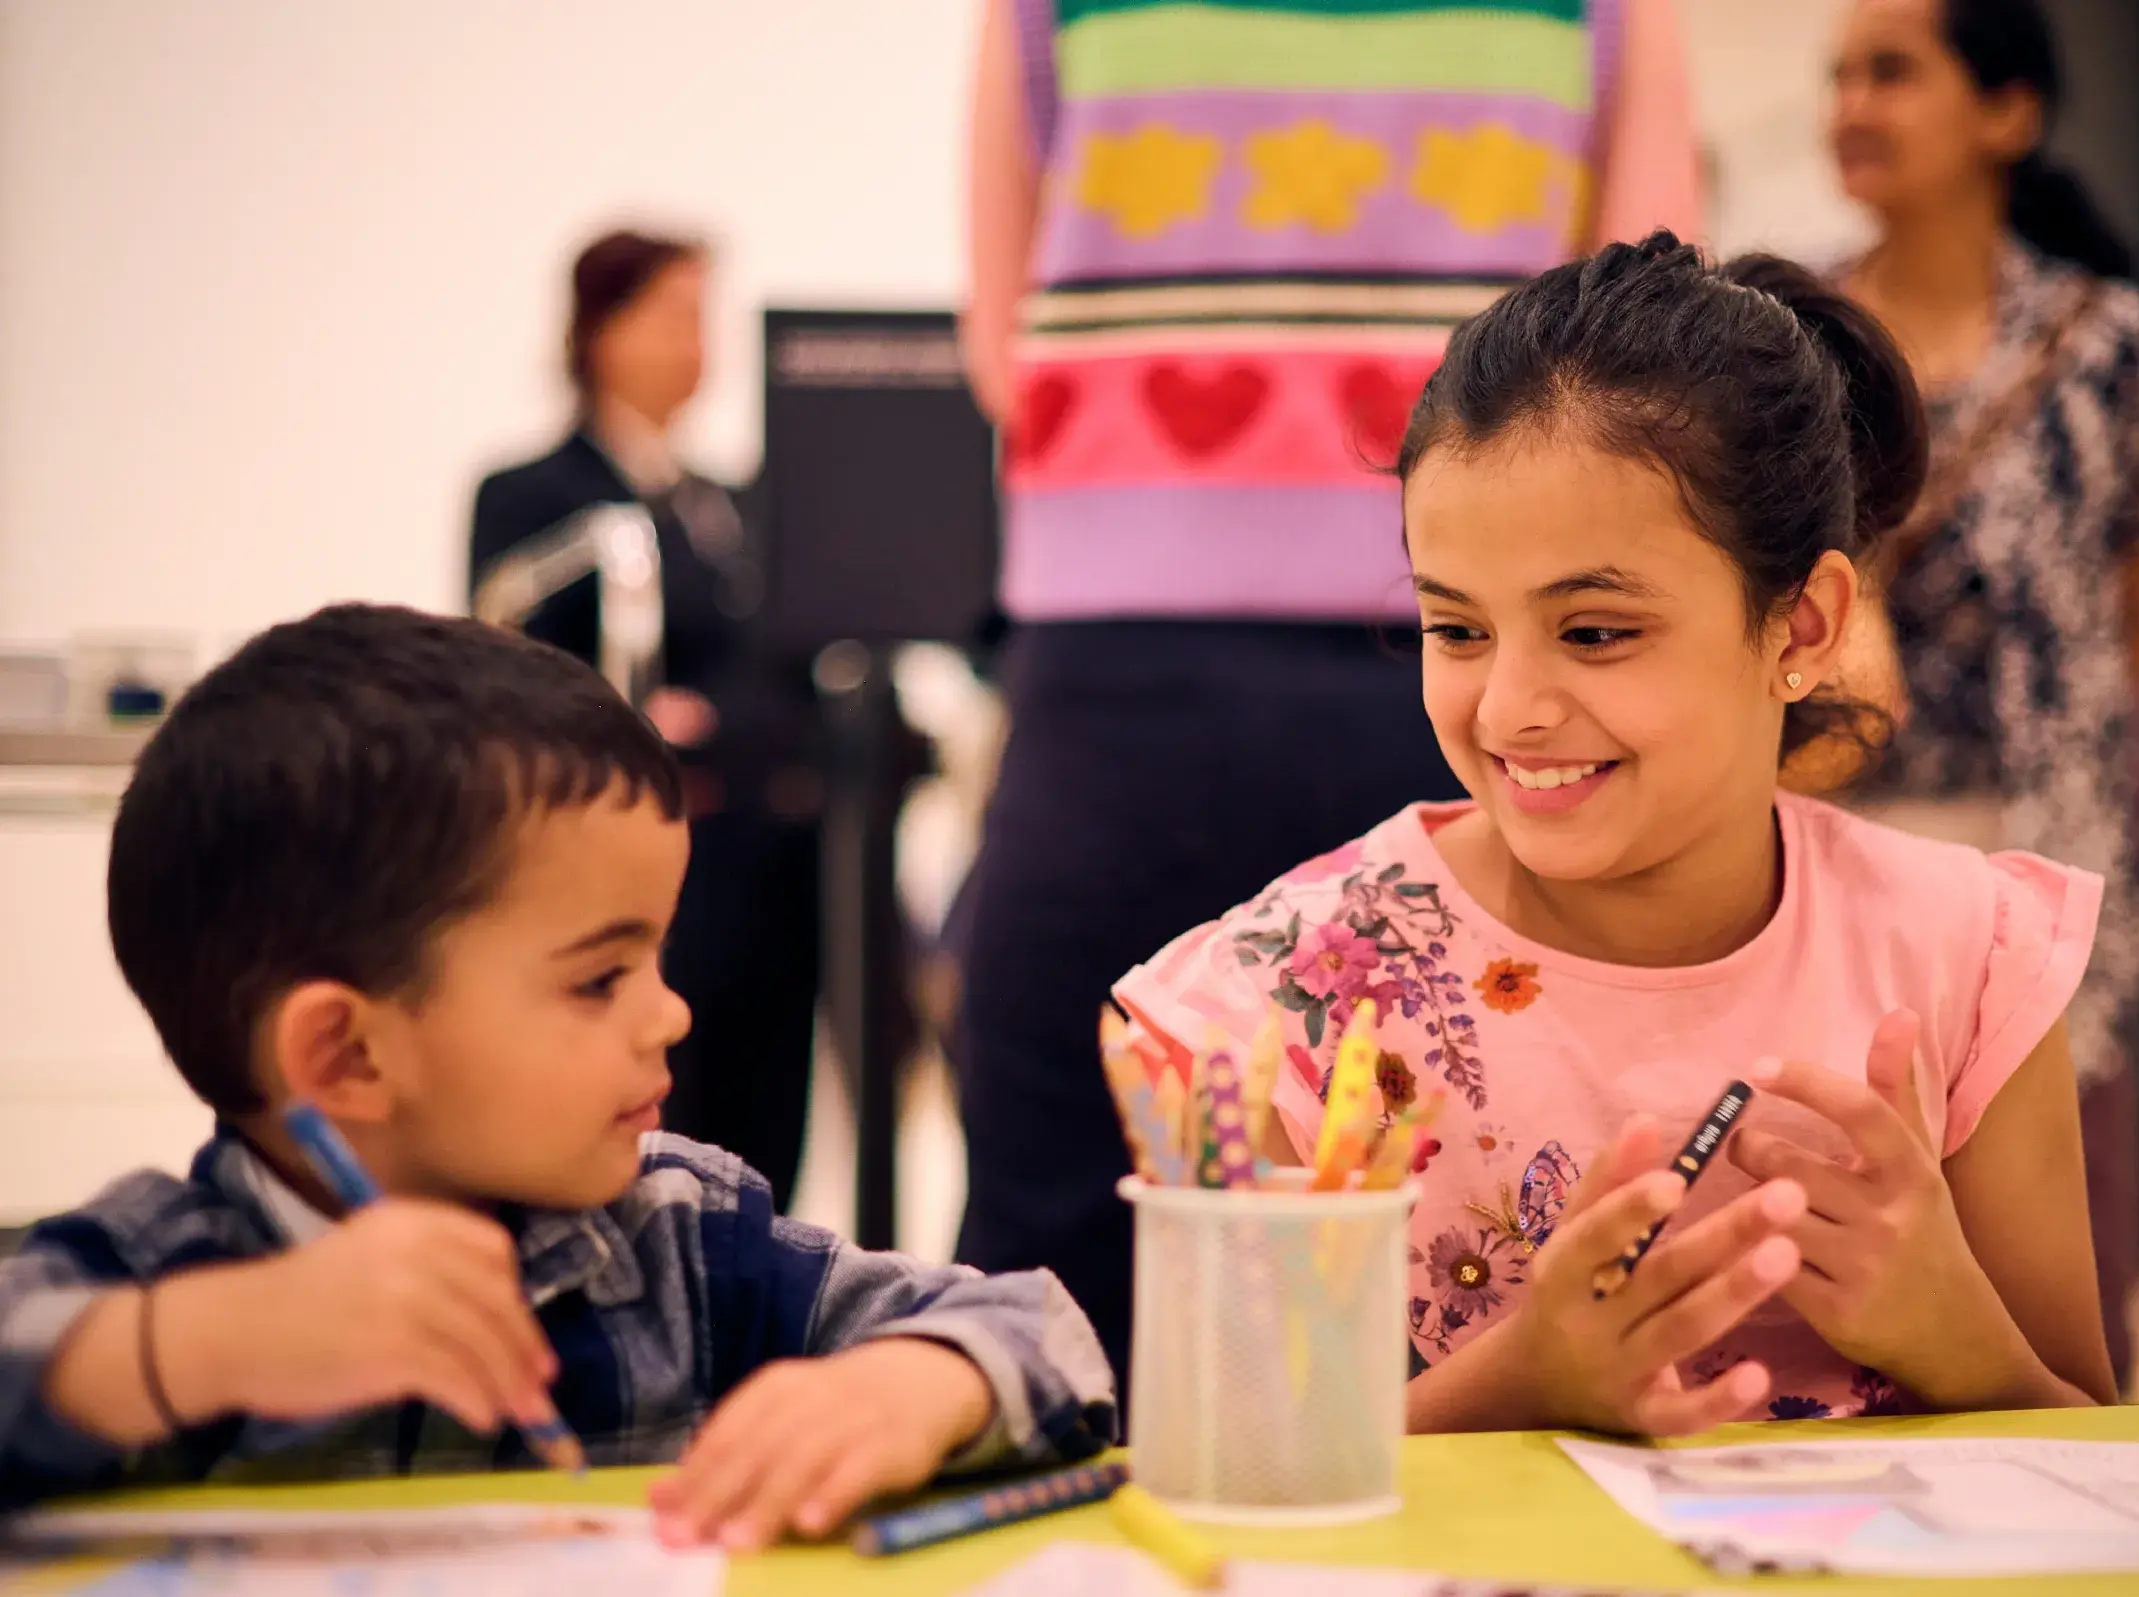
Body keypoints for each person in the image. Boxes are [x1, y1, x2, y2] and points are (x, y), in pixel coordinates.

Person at [1117, 237, 2116, 1431]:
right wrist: (1524, 1378)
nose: (1508, 709)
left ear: (1801, 624)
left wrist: (1957, 1334)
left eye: (1592, 632)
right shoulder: (1299, 996)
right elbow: (1237, 1475)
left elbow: (2090, 1446)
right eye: (1457, 629)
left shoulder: (1968, 957)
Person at [954, 0, 1707, 1390]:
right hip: (1460, 631)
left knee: (1068, 1213)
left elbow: (1001, 340)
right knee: (1450, 1194)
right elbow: (1649, 319)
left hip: (1161, 636)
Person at [0, 607, 1113, 1536]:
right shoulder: (153, 1268)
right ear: (346, 1052)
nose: (670, 1011)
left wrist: (914, 1384)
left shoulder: (681, 1237)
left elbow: (1048, 1331)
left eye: (657, 956)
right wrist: (207, 1343)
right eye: (598, 978)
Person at [1821, 0, 2139, 1384]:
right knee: (1825, 1180)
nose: (1849, 108)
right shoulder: (1783, 334)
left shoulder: (2108, 344)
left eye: (1890, 72)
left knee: (2053, 1233)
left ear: (2005, 111)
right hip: (1822, 835)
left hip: (2030, 846)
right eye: (1836, 78)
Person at [470, 231, 822, 1211]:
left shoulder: (735, 500)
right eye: (672, 316)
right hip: (649, 866)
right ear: (599, 330)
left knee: (768, 1129)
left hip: (772, 864)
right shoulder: (535, 498)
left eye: (704, 319)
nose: (697, 344)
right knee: (667, 1122)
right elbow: (512, 671)